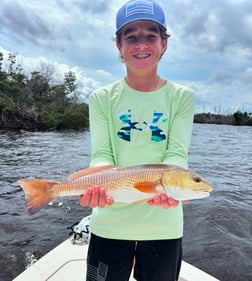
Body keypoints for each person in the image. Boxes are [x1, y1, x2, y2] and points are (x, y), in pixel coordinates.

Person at [80, 1, 195, 280]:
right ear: (118, 46)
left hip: (163, 223)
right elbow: (103, 153)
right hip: (109, 220)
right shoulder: (101, 98)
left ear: (164, 44)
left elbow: (176, 154)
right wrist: (97, 184)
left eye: (150, 36)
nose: (141, 44)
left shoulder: (182, 97)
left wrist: (170, 188)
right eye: (131, 37)